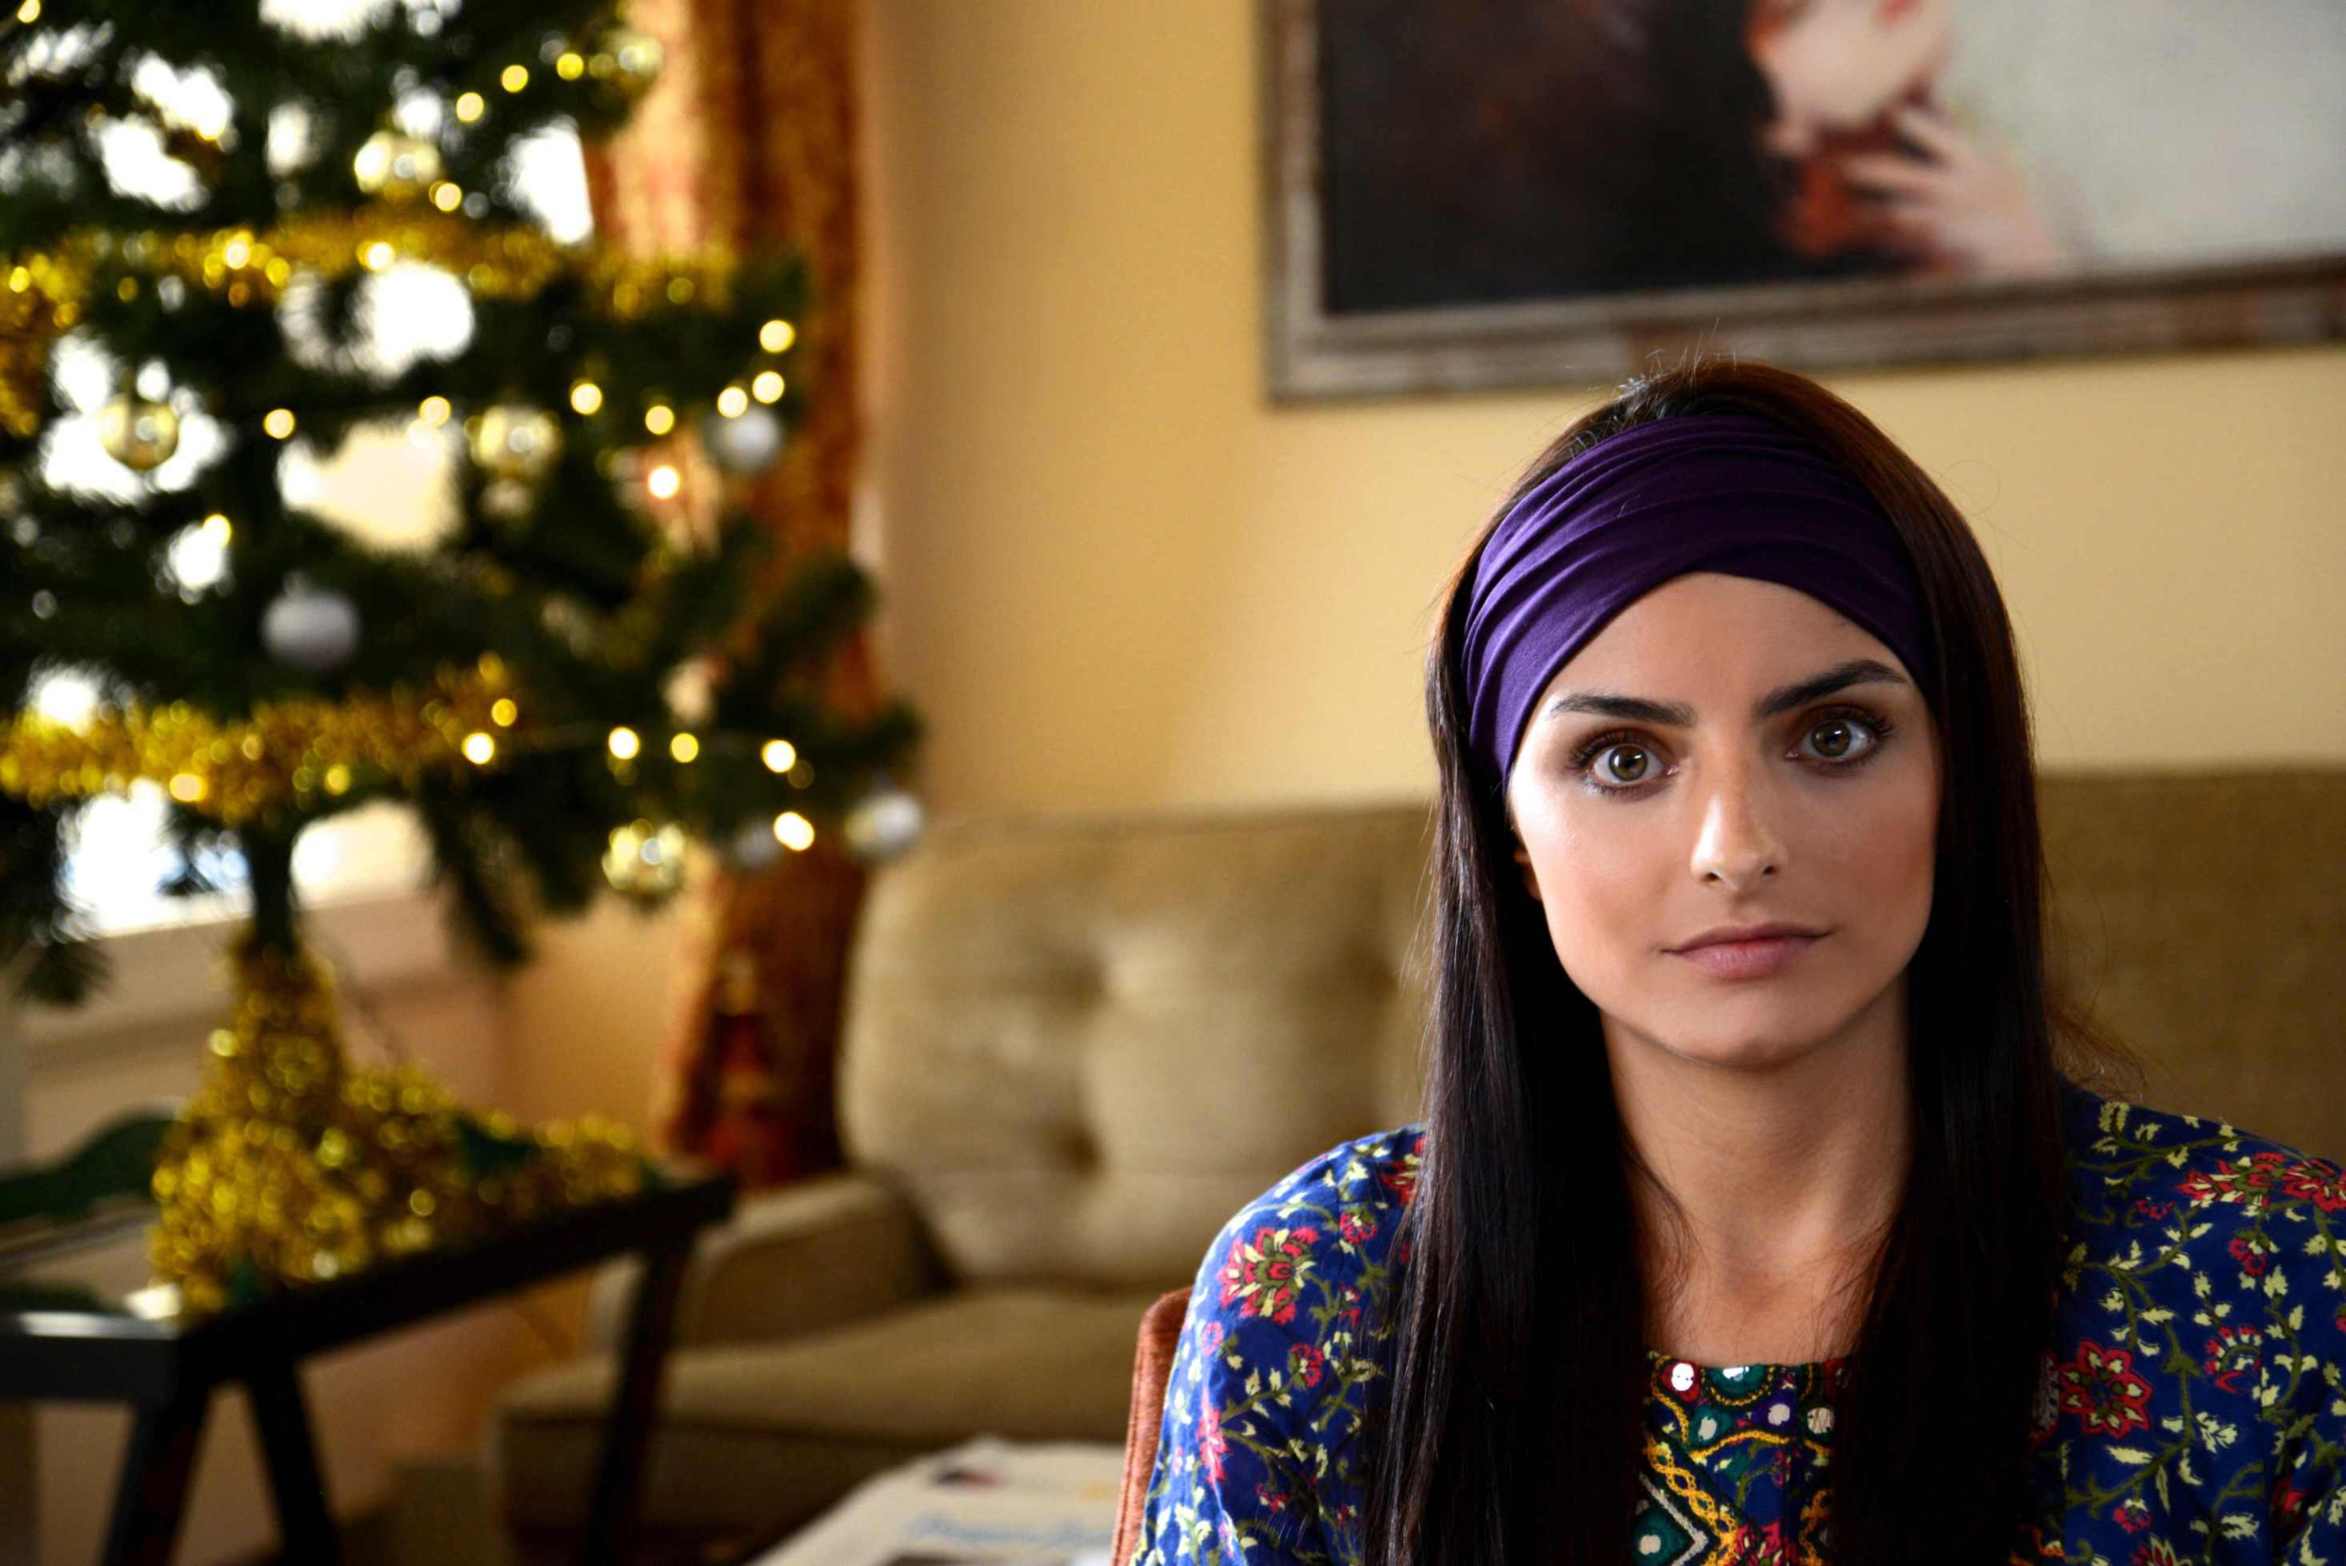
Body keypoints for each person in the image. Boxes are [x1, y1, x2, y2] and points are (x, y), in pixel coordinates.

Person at [1124, 358, 2345, 1564]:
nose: (1736, 846)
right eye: (1623, 759)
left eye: (1835, 734)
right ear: (1510, 840)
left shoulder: (2286, 1290)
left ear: (1959, 779)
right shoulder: (1308, 1298)